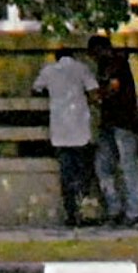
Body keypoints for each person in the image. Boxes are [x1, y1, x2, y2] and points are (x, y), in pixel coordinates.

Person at [35, 40, 102, 228]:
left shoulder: (49, 71)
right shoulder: (82, 69)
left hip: (60, 131)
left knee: (66, 175)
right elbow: (94, 92)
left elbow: (36, 88)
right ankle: (84, 212)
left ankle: (70, 213)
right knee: (83, 173)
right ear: (73, 55)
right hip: (80, 130)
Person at [93, 43, 138, 227]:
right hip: (110, 123)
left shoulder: (117, 63)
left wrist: (97, 95)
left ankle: (133, 212)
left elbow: (113, 87)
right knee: (103, 167)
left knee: (127, 167)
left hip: (123, 122)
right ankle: (114, 209)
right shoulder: (108, 64)